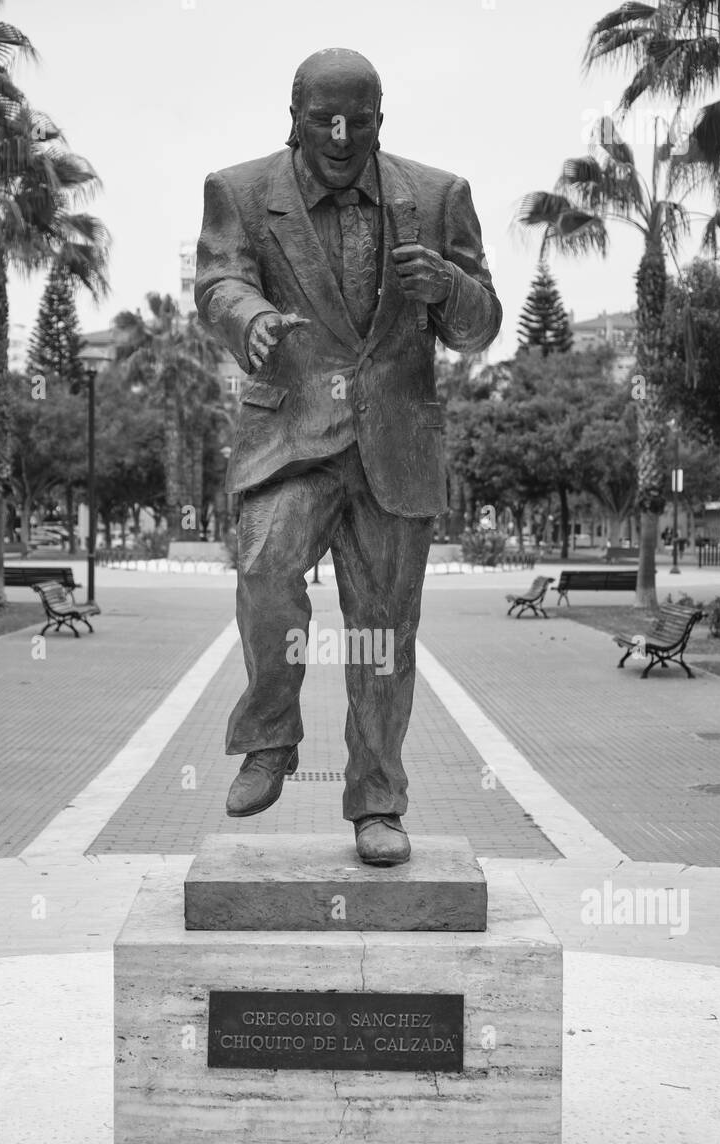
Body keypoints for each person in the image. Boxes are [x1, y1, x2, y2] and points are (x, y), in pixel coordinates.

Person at [195, 48, 502, 865]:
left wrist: (448, 288)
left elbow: (480, 327)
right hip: (291, 437)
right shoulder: (242, 191)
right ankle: (271, 736)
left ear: (380, 119)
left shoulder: (437, 199)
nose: (340, 135)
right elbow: (219, 283)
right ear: (292, 114)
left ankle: (377, 801)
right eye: (324, 118)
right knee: (264, 569)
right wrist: (250, 316)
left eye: (358, 121)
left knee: (383, 634)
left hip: (393, 446)